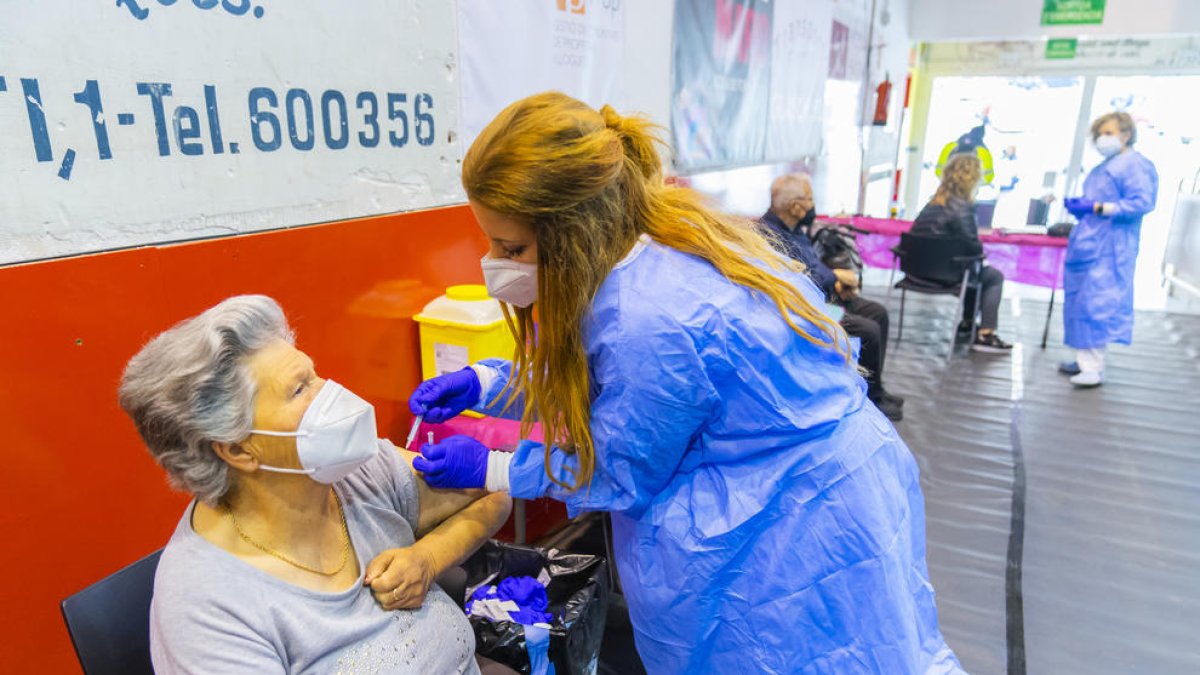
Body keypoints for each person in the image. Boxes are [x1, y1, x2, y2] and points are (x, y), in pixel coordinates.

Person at [408, 92, 963, 674]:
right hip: (807, 486)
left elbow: (620, 462)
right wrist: (486, 382)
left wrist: (494, 466)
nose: (495, 263)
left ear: (573, 230)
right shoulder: (648, 247)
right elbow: (611, 382)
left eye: (511, 247)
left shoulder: (651, 317)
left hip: (791, 530)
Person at [118, 295, 515, 674]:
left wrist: (428, 559)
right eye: (299, 389)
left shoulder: (359, 473)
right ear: (239, 450)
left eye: (314, 374)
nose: (331, 393)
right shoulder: (208, 608)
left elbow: (492, 490)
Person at [759, 173, 904, 421]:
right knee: (868, 330)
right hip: (803, 308)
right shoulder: (771, 237)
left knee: (877, 313)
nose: (813, 206)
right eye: (810, 200)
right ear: (795, 207)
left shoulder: (795, 230)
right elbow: (797, 281)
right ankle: (869, 399)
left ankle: (875, 388)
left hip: (824, 294)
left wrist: (835, 281)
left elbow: (814, 267)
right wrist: (835, 277)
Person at [1059, 111, 1158, 387]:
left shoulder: (1135, 166)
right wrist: (1084, 206)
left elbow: (1141, 203)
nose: (1103, 139)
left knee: (1097, 303)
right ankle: (1083, 358)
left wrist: (1098, 207)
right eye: (1100, 134)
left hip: (1111, 247)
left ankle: (1092, 367)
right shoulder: (1106, 166)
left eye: (1109, 133)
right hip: (1090, 244)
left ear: (1126, 134)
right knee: (1080, 301)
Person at [911, 152, 1014, 353]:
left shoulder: (932, 204)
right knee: (991, 276)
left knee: (972, 269)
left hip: (915, 271)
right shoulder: (963, 208)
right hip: (946, 275)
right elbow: (973, 247)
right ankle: (985, 333)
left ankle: (967, 323)